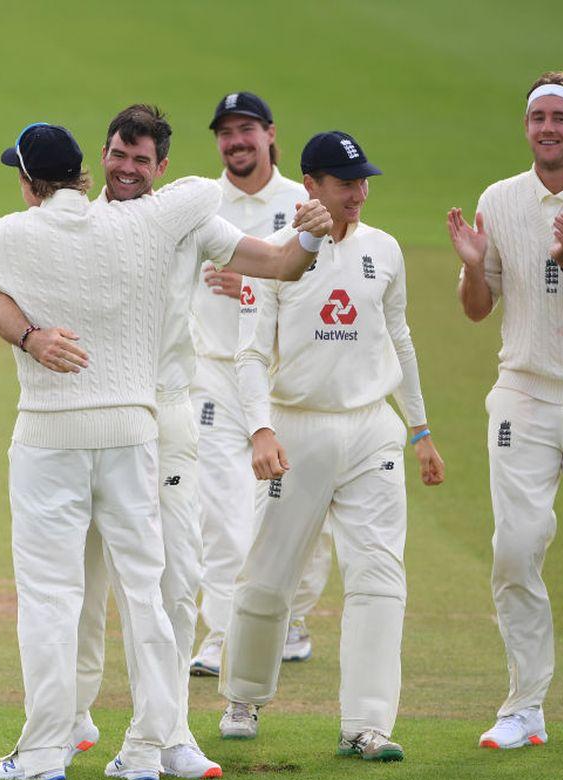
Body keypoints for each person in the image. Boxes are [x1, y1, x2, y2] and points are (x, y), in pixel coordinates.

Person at [0, 105, 332, 780]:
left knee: (173, 582)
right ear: (101, 156)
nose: (127, 168)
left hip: (163, 417)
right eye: (118, 153)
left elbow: (282, 264)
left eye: (142, 159)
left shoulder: (187, 220)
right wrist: (31, 336)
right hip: (80, 420)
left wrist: (311, 237)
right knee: (72, 585)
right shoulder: (77, 217)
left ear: (161, 167)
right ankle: (69, 723)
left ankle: (161, 735)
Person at [0, 121, 226, 780]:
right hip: (132, 433)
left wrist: (23, 305)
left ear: (29, 182)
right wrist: (154, 201)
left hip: (50, 437)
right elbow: (205, 191)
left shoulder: (15, 232)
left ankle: (41, 755)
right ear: (86, 176)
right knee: (144, 594)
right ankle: (146, 752)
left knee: (50, 598)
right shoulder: (139, 223)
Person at [219, 132, 445, 761]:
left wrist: (420, 428)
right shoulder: (271, 256)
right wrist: (259, 428)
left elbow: (399, 338)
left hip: (373, 429)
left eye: (364, 182)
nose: (359, 194)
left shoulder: (386, 250)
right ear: (310, 185)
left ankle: (366, 723)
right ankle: (243, 695)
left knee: (378, 575)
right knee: (269, 575)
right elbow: (250, 352)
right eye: (346, 184)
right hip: (298, 427)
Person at [447, 71, 563, 747]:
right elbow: (477, 310)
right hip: (522, 393)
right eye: (539, 118)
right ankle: (524, 703)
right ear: (527, 127)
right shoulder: (499, 200)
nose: (549, 128)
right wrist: (474, 266)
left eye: (562, 118)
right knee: (516, 549)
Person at [189, 91, 335, 676]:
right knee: (218, 513)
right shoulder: (200, 205)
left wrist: (248, 283)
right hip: (214, 374)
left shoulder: (303, 203)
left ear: (270, 133)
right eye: (226, 132)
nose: (236, 141)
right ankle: (223, 634)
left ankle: (289, 618)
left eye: (246, 129)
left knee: (286, 514)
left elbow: (328, 285)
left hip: (282, 380)